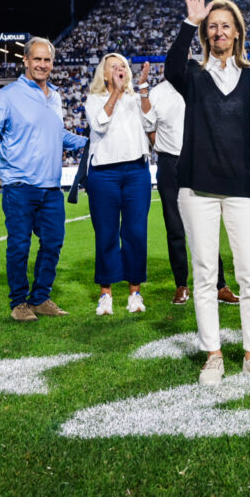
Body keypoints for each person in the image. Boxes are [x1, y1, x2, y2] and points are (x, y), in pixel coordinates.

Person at [166, 0, 250, 385]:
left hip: (242, 187)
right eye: (212, 27)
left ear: (237, 32)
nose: (218, 32)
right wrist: (188, 22)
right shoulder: (194, 75)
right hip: (197, 188)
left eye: (225, 26)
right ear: (205, 33)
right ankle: (213, 354)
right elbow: (170, 69)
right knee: (205, 273)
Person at [0, 36, 88, 322]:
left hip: (51, 187)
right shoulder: (8, 95)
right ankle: (18, 302)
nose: (42, 64)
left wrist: (91, 141)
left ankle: (40, 298)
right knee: (19, 245)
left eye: (47, 60)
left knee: (53, 243)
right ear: (25, 61)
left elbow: (57, 134)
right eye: (36, 59)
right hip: (20, 186)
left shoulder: (56, 96)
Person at [144, 69, 241, 307]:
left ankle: (219, 285)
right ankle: (181, 285)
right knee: (175, 226)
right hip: (170, 163)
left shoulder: (202, 85)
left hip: (200, 161)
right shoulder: (157, 93)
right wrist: (169, 150)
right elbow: (150, 128)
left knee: (207, 224)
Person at [84, 53, 154, 315]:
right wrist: (114, 92)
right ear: (104, 74)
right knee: (106, 233)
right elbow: (99, 124)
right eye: (113, 66)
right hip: (103, 174)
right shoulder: (94, 99)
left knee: (136, 233)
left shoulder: (136, 99)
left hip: (136, 171)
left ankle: (135, 292)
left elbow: (151, 122)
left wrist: (144, 88)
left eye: (123, 66)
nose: (119, 69)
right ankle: (106, 294)